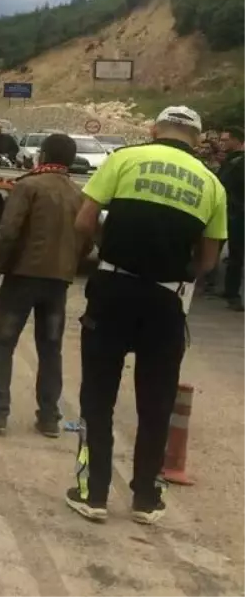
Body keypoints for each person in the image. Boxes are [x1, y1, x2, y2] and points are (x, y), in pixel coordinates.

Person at [68, 106, 227, 526]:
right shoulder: (212, 184)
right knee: (156, 403)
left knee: (97, 396)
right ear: (197, 138)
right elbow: (209, 259)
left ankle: (92, 493)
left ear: (153, 130)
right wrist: (178, 271)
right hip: (165, 302)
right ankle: (144, 499)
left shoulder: (123, 160)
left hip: (113, 290)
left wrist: (111, 243)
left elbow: (84, 221)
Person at [0, 133, 85, 437]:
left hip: (22, 279)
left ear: (43, 155)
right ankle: (49, 418)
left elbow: (9, 231)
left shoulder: (28, 186)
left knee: (3, 344)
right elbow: (88, 238)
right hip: (58, 284)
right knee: (51, 349)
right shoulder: (78, 194)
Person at [217, 126, 245, 311]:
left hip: (239, 213)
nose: (222, 143)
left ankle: (233, 294)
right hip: (231, 211)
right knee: (233, 253)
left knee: (237, 254)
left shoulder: (240, 162)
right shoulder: (232, 160)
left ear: (237, 140)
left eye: (226, 140)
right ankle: (229, 290)